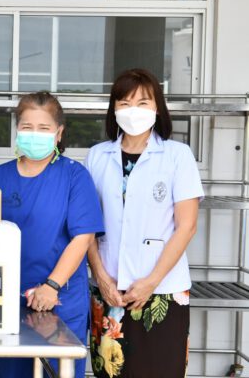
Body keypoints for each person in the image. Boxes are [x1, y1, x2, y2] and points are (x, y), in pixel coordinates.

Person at [85, 69, 202, 378]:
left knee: (161, 370)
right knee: (110, 371)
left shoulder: (178, 155)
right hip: (109, 290)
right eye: (124, 103)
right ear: (113, 109)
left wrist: (152, 281)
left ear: (157, 108)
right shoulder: (97, 156)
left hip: (163, 290)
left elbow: (187, 226)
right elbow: (87, 227)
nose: (133, 111)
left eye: (143, 102)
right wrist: (101, 277)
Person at [0, 91, 104, 378]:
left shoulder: (74, 176)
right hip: (8, 302)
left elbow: (83, 237)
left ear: (59, 133)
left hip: (60, 301)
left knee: (58, 371)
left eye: (44, 128)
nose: (35, 134)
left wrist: (52, 286)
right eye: (27, 127)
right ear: (17, 130)